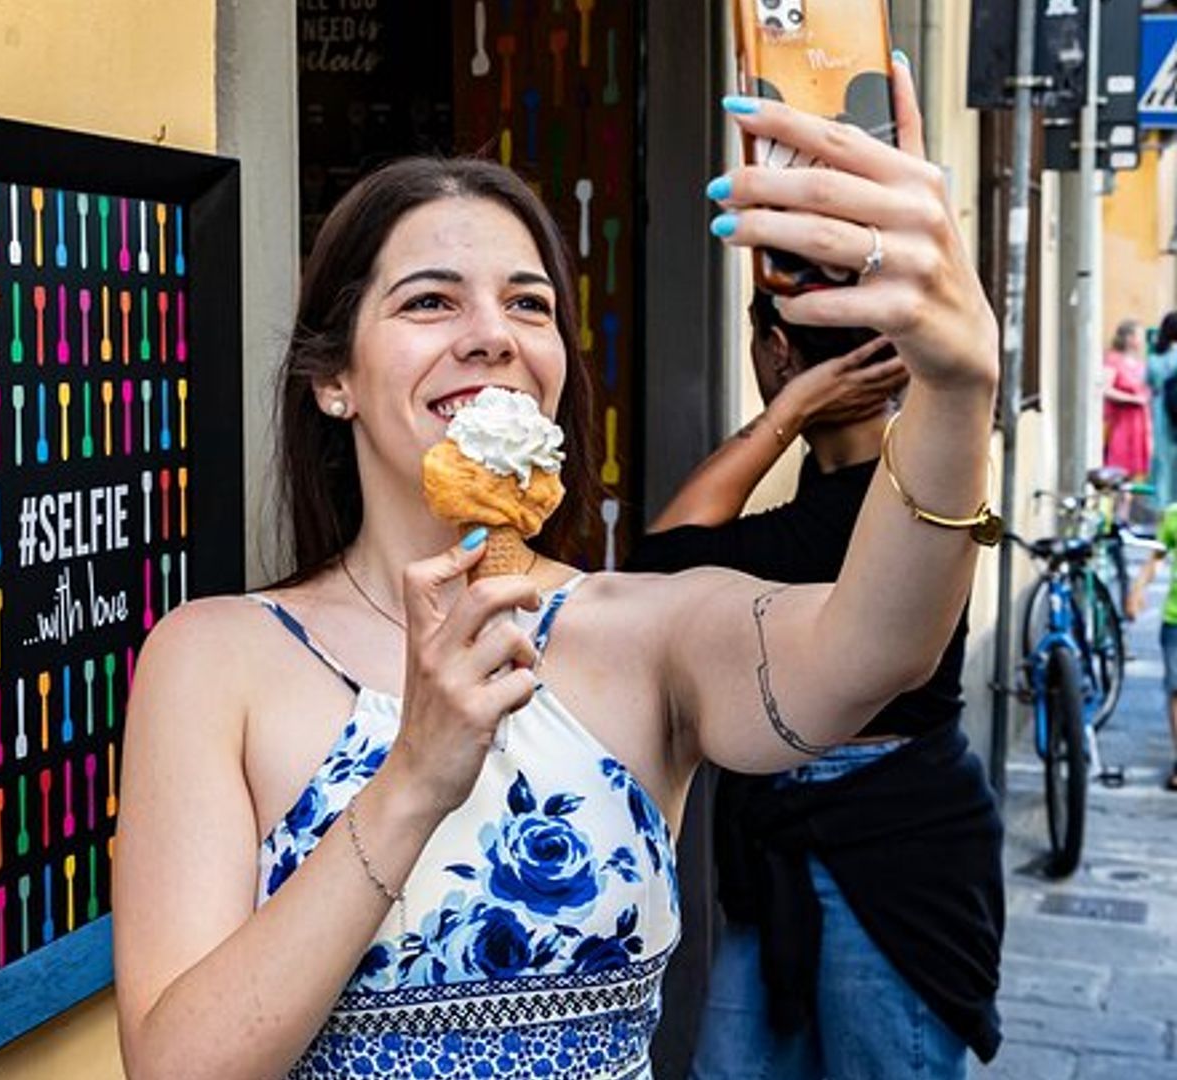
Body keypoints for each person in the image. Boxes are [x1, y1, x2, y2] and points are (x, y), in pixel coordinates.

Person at [113, 63, 999, 1080]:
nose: (492, 336)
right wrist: (413, 780)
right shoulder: (214, 659)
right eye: (430, 301)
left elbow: (876, 647)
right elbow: (176, 1069)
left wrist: (956, 386)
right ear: (333, 380)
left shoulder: (645, 634)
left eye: (528, 305)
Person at [625, 292, 1005, 1079]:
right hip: (791, 830)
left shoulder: (886, 502)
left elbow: (657, 568)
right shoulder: (881, 486)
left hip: (888, 847)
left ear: (776, 350)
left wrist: (787, 408)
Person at [1126, 504, 1177, 792]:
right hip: (1175, 618)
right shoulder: (1173, 515)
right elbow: (1156, 558)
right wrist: (1137, 589)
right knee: (1176, 689)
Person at [1103, 318, 1152, 482]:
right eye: (1140, 336)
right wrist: (1132, 399)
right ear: (1130, 338)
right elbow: (1106, 389)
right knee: (1117, 469)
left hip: (1139, 424)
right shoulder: (1113, 360)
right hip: (1121, 423)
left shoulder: (1139, 363)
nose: (1142, 341)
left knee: (1134, 474)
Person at [1146, 313, 1177, 509]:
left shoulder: (1155, 358)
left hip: (1159, 412)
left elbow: (1148, 381)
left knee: (1162, 462)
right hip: (1172, 413)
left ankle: (1163, 507)